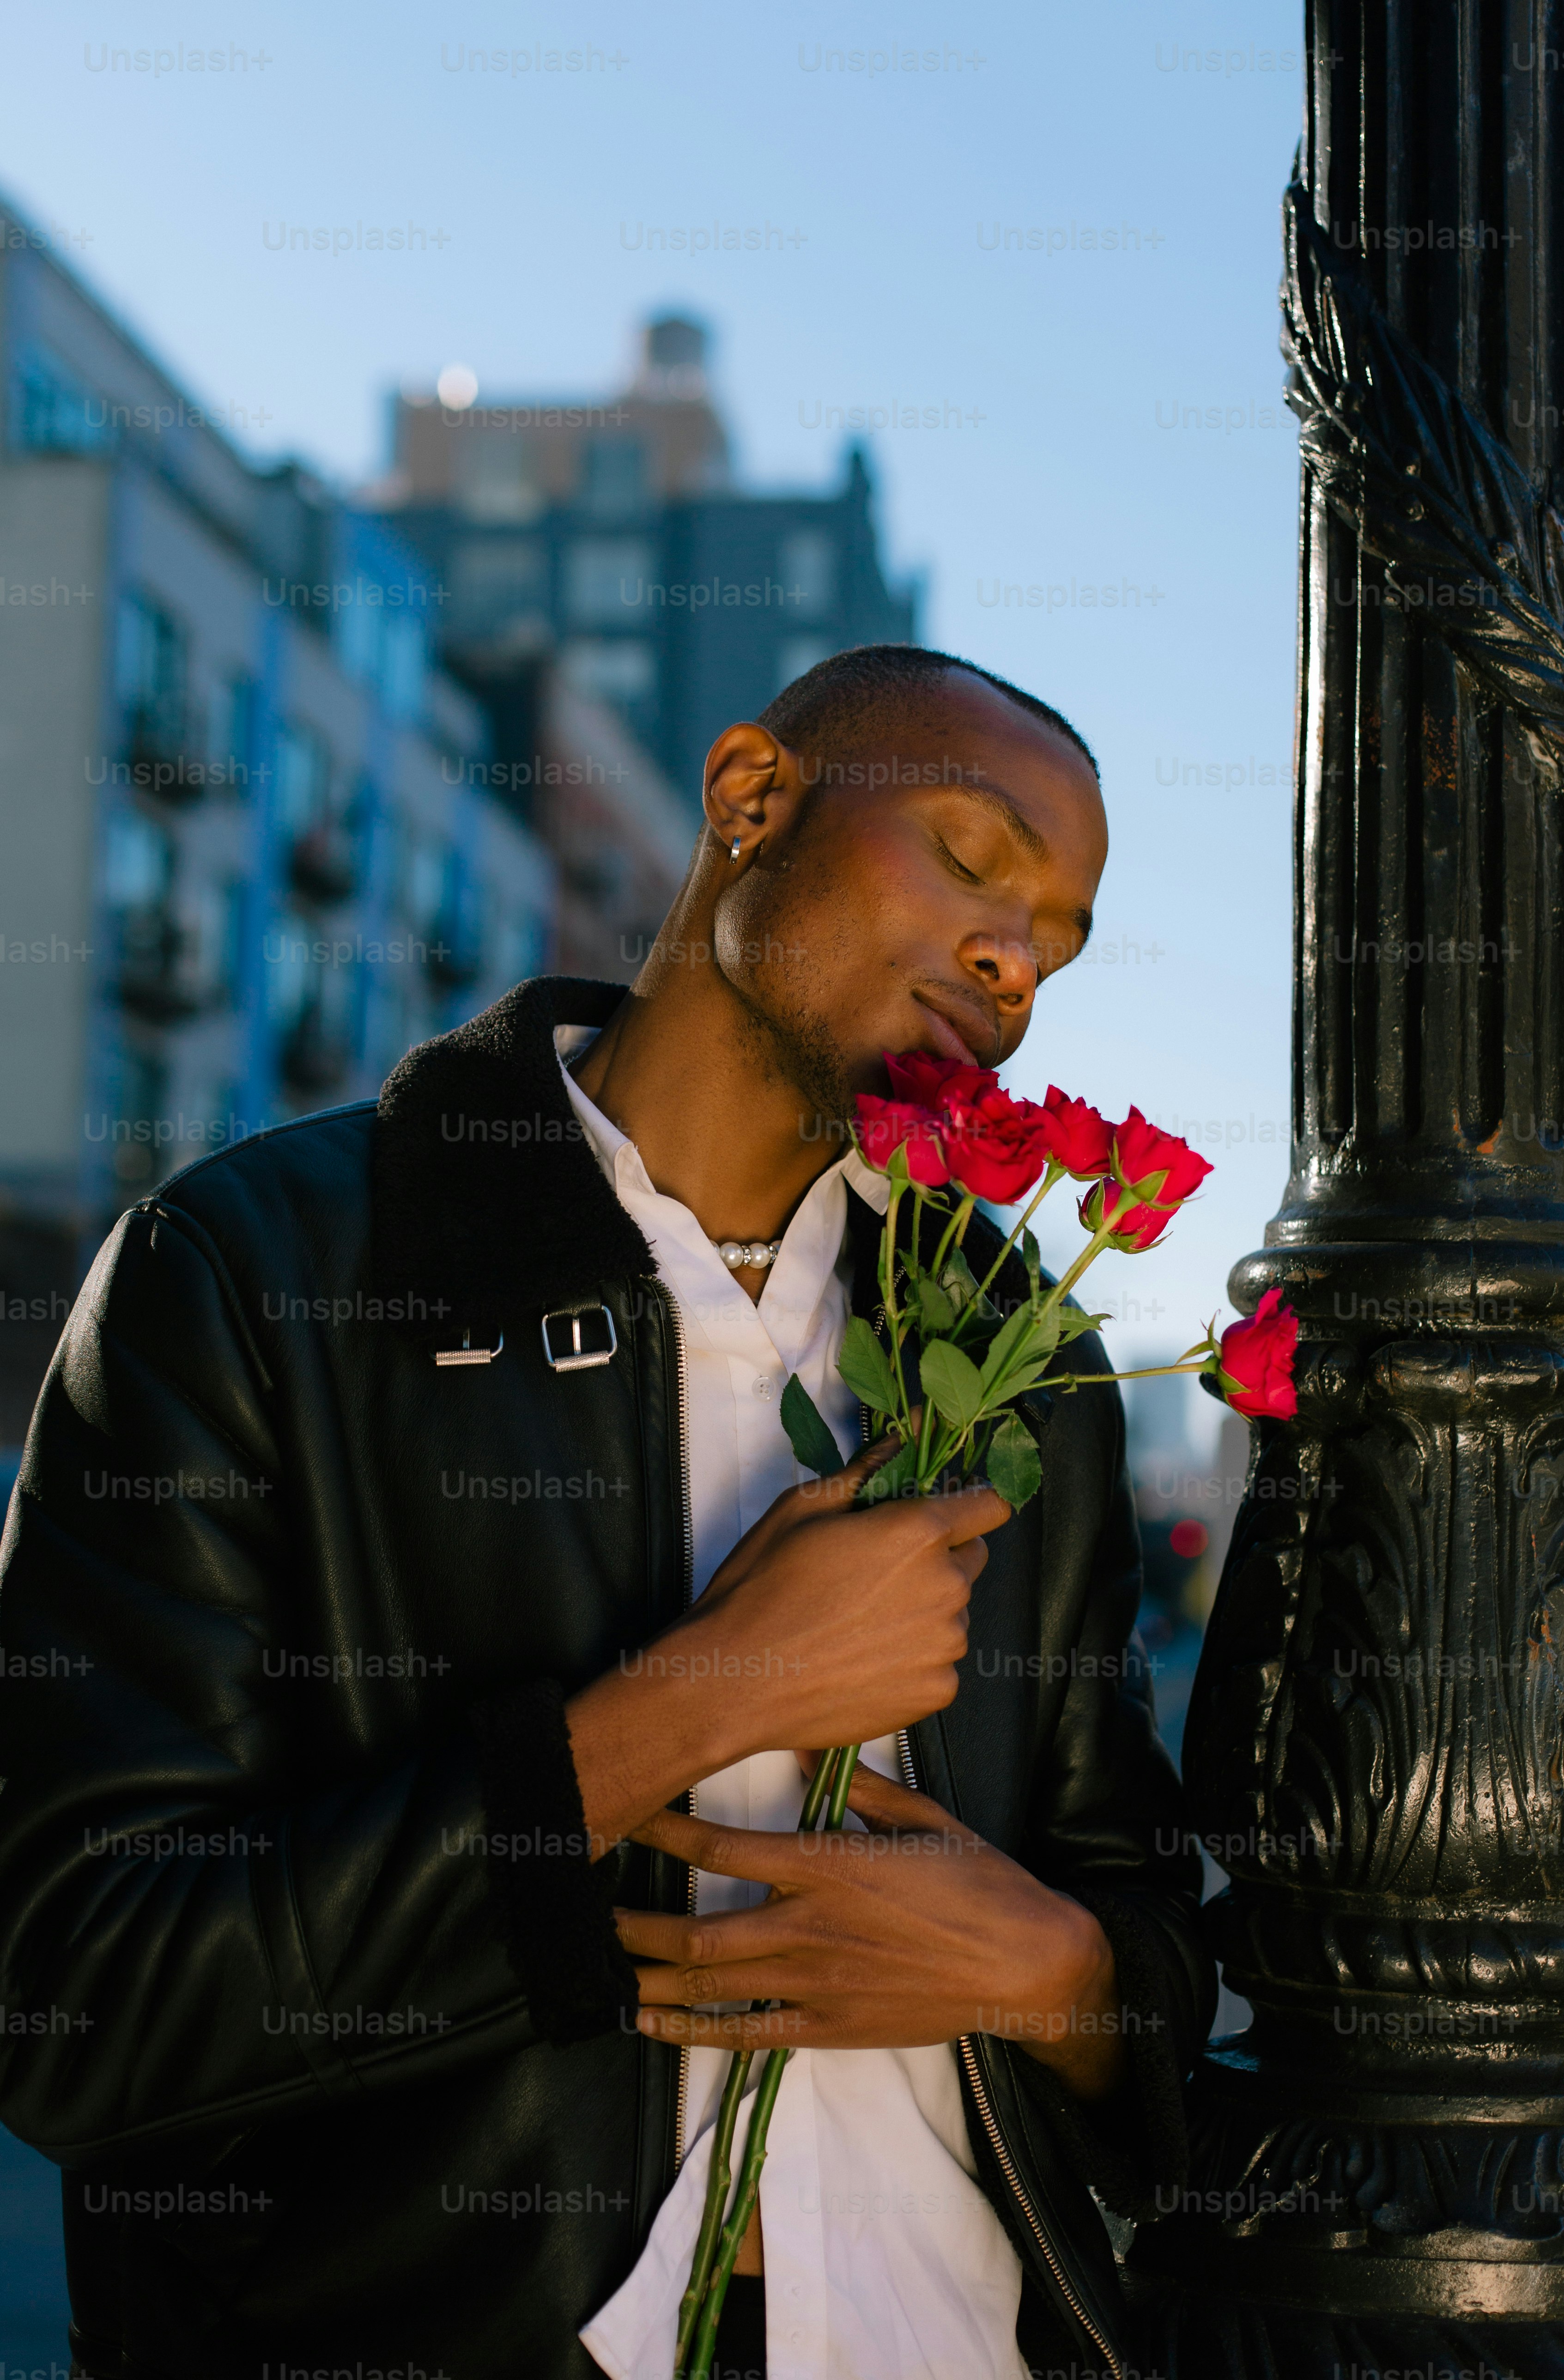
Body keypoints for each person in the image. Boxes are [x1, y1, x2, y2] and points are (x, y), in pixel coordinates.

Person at [0, 645, 1212, 2380]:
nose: (1011, 963)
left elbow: (1146, 1936)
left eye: (1058, 942)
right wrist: (696, 1702)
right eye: (969, 856)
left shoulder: (1020, 1356)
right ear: (749, 798)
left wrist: (1058, 1982)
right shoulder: (259, 1271)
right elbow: (79, 1996)